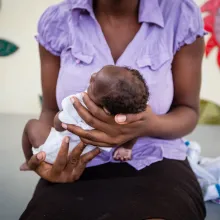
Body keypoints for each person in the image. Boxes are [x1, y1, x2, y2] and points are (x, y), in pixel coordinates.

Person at [20, 0, 207, 219]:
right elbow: (50, 112)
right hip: (77, 162)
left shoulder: (180, 14)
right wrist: (50, 156)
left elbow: (188, 111)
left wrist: (147, 125)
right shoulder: (58, 20)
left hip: (156, 158)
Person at [20, 65, 149, 168]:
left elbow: (58, 126)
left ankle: (28, 161)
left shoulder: (79, 104)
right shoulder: (123, 118)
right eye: (97, 74)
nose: (92, 76)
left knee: (31, 124)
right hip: (83, 159)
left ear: (106, 109)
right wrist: (126, 148)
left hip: (54, 152)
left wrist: (60, 117)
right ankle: (126, 150)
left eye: (94, 84)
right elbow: (134, 132)